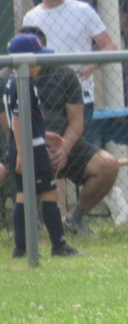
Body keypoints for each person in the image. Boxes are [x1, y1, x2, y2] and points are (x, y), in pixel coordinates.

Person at [22, 0, 128, 226]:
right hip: (45, 100)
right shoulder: (31, 17)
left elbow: (109, 46)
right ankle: (58, 222)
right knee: (53, 160)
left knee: (73, 156)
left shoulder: (82, 10)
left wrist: (92, 64)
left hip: (80, 97)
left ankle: (80, 215)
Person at [4, 33, 79, 257]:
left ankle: (20, 248)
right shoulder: (24, 84)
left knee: (24, 194)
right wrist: (23, 152)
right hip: (31, 149)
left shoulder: (11, 82)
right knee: (49, 192)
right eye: (37, 58)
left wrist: (44, 135)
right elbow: (18, 120)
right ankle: (58, 245)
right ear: (24, 60)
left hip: (26, 143)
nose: (40, 63)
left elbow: (24, 121)